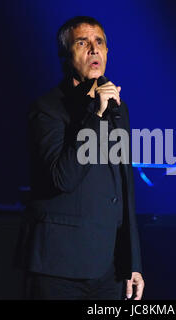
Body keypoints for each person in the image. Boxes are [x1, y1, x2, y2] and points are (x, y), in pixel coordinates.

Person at [19, 16, 144, 300]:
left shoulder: (118, 108)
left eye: (99, 42)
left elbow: (125, 189)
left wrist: (132, 263)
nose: (93, 49)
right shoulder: (47, 109)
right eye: (82, 42)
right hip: (60, 269)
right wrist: (96, 117)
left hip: (109, 270)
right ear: (65, 55)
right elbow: (63, 177)